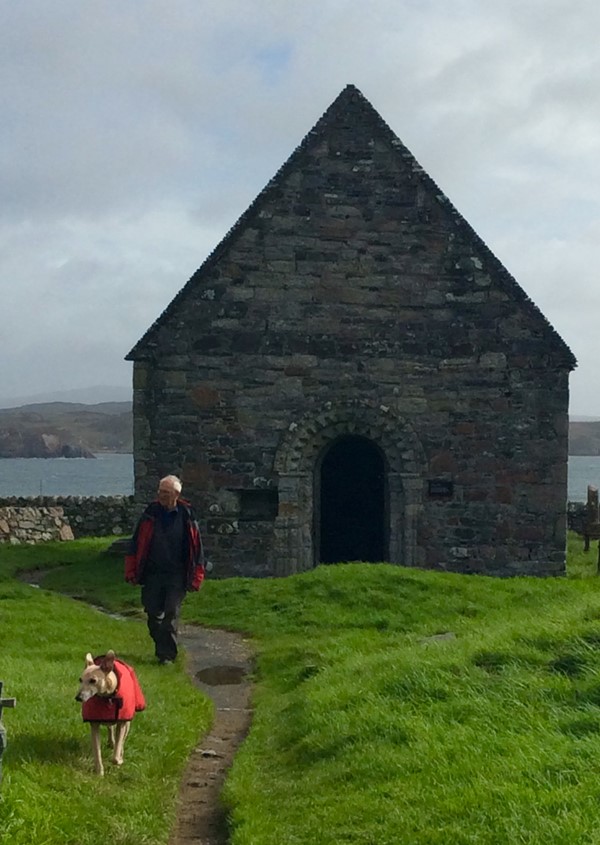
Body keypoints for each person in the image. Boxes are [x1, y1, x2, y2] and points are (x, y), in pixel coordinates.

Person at [124, 475, 205, 664]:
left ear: (176, 494)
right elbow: (136, 543)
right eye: (160, 491)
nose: (161, 495)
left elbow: (197, 547)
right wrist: (131, 569)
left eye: (165, 492)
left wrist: (197, 576)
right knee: (153, 615)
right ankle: (163, 647)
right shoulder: (150, 513)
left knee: (171, 612)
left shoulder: (187, 515)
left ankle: (166, 656)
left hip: (177, 574)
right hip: (152, 573)